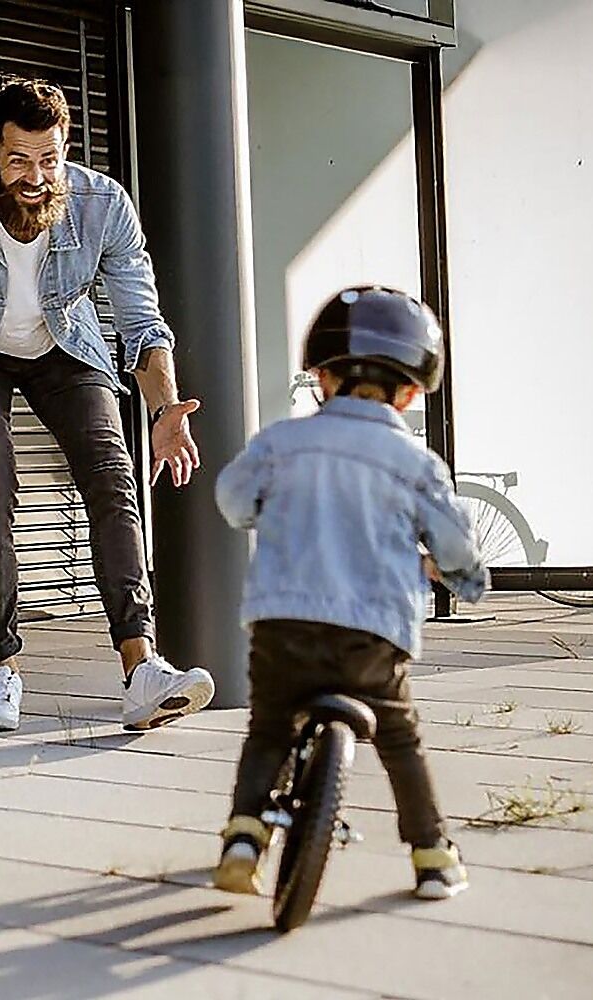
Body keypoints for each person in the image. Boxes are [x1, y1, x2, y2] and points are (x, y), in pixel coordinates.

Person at [0, 78, 214, 733]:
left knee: (112, 479)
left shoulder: (103, 204)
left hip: (66, 344)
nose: (35, 177)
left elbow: (141, 323)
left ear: (66, 149)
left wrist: (164, 407)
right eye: (19, 160)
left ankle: (141, 669)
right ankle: (1, 669)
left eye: (49, 159)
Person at [213, 286, 488, 900]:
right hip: (372, 636)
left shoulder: (281, 442)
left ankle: (243, 838)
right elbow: (454, 544)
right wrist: (465, 580)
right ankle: (432, 856)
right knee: (399, 737)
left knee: (270, 728)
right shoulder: (416, 463)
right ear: (411, 393)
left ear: (322, 379)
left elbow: (233, 500)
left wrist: (265, 510)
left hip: (283, 626)